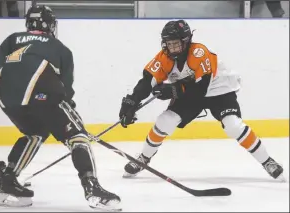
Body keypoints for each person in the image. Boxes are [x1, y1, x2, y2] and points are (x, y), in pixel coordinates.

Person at [0, 5, 121, 211]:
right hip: (44, 95)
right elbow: (65, 91)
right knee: (77, 136)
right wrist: (69, 119)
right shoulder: (60, 48)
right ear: (50, 25)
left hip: (8, 100)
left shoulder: (11, 40)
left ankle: (7, 181)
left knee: (34, 133)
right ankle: (92, 187)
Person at [118, 19, 284, 181]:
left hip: (218, 90)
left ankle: (267, 161)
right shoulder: (163, 58)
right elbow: (147, 81)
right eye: (169, 44)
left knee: (233, 125)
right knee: (164, 121)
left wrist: (173, 90)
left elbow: (201, 89)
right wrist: (132, 101)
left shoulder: (199, 52)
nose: (173, 48)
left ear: (187, 41)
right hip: (187, 91)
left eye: (176, 43)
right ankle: (143, 159)